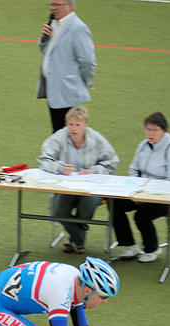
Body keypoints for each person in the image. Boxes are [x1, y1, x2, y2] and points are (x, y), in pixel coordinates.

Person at [38, 106, 119, 253]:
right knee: (59, 212)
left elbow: (112, 162)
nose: (74, 128)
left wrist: (92, 171)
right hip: (66, 187)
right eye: (70, 124)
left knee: (85, 210)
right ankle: (78, 239)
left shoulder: (97, 139)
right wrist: (60, 168)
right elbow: (44, 159)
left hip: (93, 187)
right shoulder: (58, 137)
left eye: (78, 125)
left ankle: (74, 239)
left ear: (85, 125)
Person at [113, 112, 170, 263]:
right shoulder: (143, 145)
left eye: (155, 130)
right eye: (148, 129)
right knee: (115, 203)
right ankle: (129, 245)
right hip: (142, 193)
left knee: (141, 215)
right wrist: (135, 191)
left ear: (164, 131)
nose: (150, 133)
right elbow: (134, 169)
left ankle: (152, 248)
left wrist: (146, 197)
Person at [35, 0, 97, 132]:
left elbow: (87, 61)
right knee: (59, 131)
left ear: (69, 6)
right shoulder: (54, 23)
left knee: (64, 133)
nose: (53, 8)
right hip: (53, 88)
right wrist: (44, 38)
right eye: (51, 5)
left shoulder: (78, 28)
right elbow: (47, 52)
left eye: (57, 5)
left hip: (67, 90)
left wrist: (84, 81)